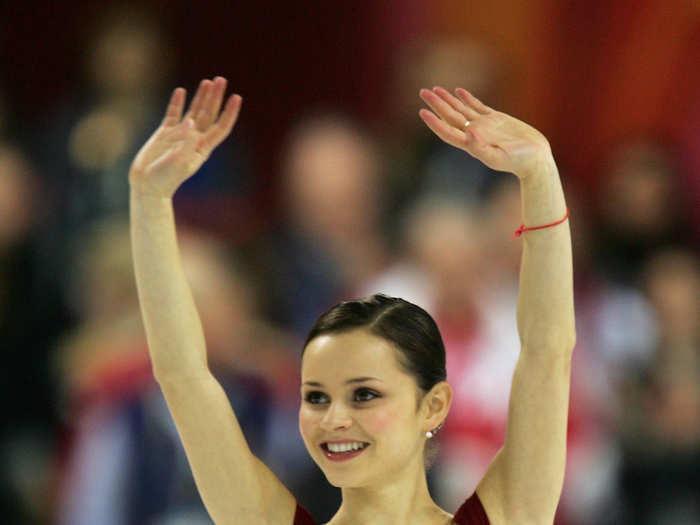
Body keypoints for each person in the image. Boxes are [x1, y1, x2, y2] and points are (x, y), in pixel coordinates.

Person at [129, 76, 575, 524]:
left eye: (363, 394)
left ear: (433, 405)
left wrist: (539, 174)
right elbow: (183, 376)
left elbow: (546, 354)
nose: (334, 419)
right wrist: (149, 200)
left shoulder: (506, 515)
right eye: (316, 397)